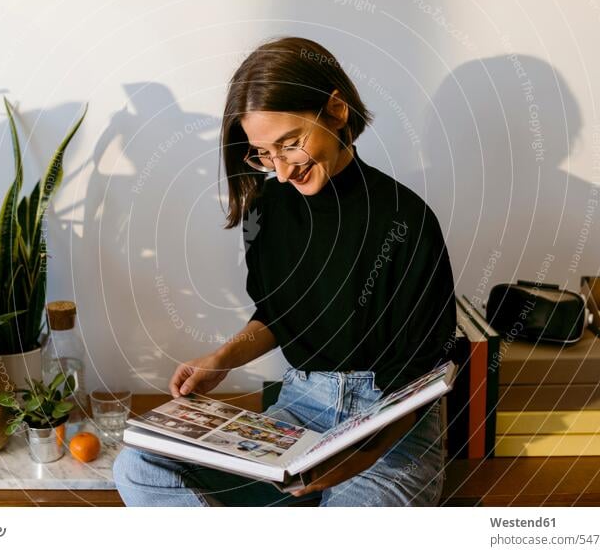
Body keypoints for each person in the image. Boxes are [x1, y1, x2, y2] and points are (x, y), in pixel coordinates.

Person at [113, 36, 457, 507]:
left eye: (290, 144)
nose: (281, 169)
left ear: (336, 110)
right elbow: (278, 315)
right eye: (263, 153)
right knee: (137, 466)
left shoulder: (409, 220)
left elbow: (424, 372)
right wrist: (223, 358)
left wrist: (356, 457)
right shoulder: (268, 209)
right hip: (302, 407)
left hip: (389, 425)